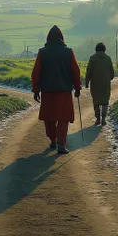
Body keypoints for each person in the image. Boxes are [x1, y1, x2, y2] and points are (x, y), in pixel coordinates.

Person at [31, 25, 81, 155]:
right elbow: (75, 71)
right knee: (63, 118)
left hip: (47, 91)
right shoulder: (68, 52)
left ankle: (53, 140)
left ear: (48, 38)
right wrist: (77, 87)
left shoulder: (42, 52)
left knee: (49, 118)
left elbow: (36, 72)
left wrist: (36, 89)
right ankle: (61, 144)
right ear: (61, 38)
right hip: (64, 91)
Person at [85, 42, 114, 126]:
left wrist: (87, 82)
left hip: (95, 83)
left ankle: (98, 119)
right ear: (104, 49)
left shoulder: (92, 58)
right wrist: (110, 78)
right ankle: (104, 119)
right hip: (105, 83)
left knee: (96, 101)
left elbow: (89, 71)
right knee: (105, 101)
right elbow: (111, 71)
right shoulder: (108, 58)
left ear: (96, 49)